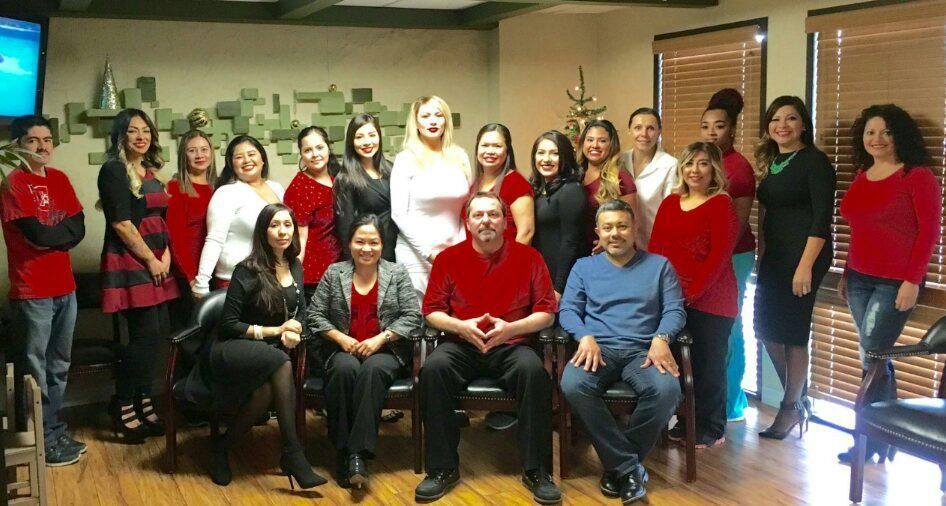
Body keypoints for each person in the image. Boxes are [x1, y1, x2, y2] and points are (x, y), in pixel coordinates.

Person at [415, 192, 561, 504]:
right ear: (467, 222)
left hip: (511, 344)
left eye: (493, 214)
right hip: (461, 344)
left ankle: (537, 470)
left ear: (505, 220)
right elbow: (432, 312)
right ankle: (441, 468)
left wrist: (511, 328)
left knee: (535, 372)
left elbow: (546, 312)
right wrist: (461, 326)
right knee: (433, 369)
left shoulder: (529, 257)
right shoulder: (448, 259)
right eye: (478, 215)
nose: (486, 221)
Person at [559, 198, 685, 504]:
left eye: (622, 226)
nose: (615, 233)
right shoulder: (584, 267)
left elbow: (675, 310)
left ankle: (619, 467)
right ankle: (629, 468)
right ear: (598, 232)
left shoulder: (659, 266)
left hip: (644, 351)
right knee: (573, 384)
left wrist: (661, 338)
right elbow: (568, 310)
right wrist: (584, 335)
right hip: (597, 350)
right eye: (608, 227)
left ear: (634, 228)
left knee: (668, 390)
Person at [836, 104, 941, 464]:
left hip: (894, 281)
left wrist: (912, 281)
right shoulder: (863, 173)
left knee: (873, 355)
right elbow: (860, 228)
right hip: (859, 278)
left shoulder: (917, 176)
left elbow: (928, 231)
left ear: (900, 135)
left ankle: (868, 440)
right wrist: (848, 272)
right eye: (869, 132)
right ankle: (884, 435)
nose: (876, 139)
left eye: (885, 132)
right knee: (875, 357)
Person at [209, 203, 325, 489]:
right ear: (263, 231)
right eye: (274, 225)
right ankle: (294, 455)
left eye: (287, 224)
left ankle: (222, 449)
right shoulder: (246, 270)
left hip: (271, 351)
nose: (282, 231)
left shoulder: (294, 263)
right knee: (280, 362)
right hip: (233, 347)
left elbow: (301, 309)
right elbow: (228, 325)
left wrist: (295, 328)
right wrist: (276, 330)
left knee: (265, 392)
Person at [306, 214, 422, 489]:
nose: (366, 248)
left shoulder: (397, 273)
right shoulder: (335, 273)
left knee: (372, 371)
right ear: (349, 244)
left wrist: (380, 339)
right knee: (345, 370)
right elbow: (314, 315)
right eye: (360, 242)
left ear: (382, 245)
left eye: (373, 242)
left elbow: (411, 316)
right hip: (342, 349)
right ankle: (343, 451)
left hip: (385, 350)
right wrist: (340, 338)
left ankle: (355, 454)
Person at [1, 115, 86, 465]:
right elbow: (37, 235)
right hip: (32, 291)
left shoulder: (60, 179)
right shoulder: (12, 182)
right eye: (33, 140)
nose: (42, 146)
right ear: (18, 145)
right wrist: (58, 236)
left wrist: (56, 237)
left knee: (59, 366)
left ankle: (52, 431)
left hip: (66, 288)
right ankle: (38, 442)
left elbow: (78, 228)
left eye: (47, 139)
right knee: (33, 371)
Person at [753, 96, 836, 440]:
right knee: (766, 329)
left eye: (791, 119)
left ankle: (789, 408)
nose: (782, 125)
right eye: (776, 119)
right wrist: (762, 254)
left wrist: (805, 266)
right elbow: (769, 215)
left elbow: (821, 219)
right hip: (776, 257)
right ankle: (798, 398)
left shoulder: (815, 162)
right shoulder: (774, 162)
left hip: (805, 256)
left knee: (792, 332)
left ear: (804, 124)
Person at [96, 108, 180, 443]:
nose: (141, 136)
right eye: (133, 131)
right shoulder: (113, 170)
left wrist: (167, 256)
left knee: (157, 337)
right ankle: (123, 402)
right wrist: (151, 260)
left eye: (146, 130)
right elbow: (120, 223)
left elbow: (161, 219)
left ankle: (144, 399)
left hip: (158, 261)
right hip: (133, 262)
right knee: (144, 338)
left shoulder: (148, 171)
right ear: (120, 135)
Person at [648, 142, 739, 449]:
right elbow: (656, 250)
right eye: (689, 164)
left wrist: (689, 295)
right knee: (675, 363)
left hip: (712, 300)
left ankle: (711, 427)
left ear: (714, 168)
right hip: (673, 298)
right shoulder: (670, 203)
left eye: (703, 164)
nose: (694, 170)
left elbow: (718, 257)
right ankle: (685, 421)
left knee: (707, 366)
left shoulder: (721, 203)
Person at [699, 88, 757, 423]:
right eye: (705, 126)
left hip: (733, 257)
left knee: (730, 328)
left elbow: (738, 223)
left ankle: (732, 403)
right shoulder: (701, 162)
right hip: (707, 259)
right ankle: (707, 401)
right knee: (710, 331)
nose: (711, 132)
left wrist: (717, 260)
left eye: (718, 126)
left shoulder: (739, 167)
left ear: (731, 129)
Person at [390, 95, 471, 296]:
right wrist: (429, 254)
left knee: (455, 318)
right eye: (425, 116)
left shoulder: (460, 156)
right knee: (419, 323)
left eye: (438, 115)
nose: (433, 121)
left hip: (455, 253)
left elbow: (466, 209)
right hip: (416, 257)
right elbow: (398, 214)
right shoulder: (406, 159)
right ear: (416, 122)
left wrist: (461, 250)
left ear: (446, 120)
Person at [193, 135, 284, 296]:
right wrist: (202, 283)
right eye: (239, 157)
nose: (246, 160)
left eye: (251, 154)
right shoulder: (226, 193)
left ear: (262, 158)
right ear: (232, 164)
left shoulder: (276, 188)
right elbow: (214, 240)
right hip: (237, 280)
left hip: (274, 276)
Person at [284, 126, 341, 301]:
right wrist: (293, 278)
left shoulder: (336, 177)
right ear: (301, 155)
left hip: (339, 269)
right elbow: (297, 239)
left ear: (328, 148)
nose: (315, 154)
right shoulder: (299, 187)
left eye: (319, 147)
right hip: (313, 277)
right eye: (308, 150)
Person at [166, 130, 216, 327]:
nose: (199, 155)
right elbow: (175, 237)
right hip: (189, 277)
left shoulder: (219, 188)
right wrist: (192, 279)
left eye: (204, 149)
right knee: (191, 336)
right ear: (183, 156)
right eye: (192, 150)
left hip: (215, 272)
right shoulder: (175, 188)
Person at [530, 130, 587, 300]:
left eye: (555, 153)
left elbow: (570, 242)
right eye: (541, 153)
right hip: (540, 273)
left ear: (565, 157)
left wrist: (558, 289)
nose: (546, 159)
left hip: (560, 280)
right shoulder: (537, 189)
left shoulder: (571, 190)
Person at [335, 113, 398, 262]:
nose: (367, 142)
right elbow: (346, 231)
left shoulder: (391, 169)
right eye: (359, 137)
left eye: (372, 135)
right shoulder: (346, 178)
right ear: (351, 141)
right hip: (368, 254)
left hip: (398, 247)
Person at [618, 108, 677, 249]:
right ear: (629, 130)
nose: (644, 134)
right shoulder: (620, 161)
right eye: (638, 128)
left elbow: (671, 214)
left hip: (655, 246)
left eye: (650, 128)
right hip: (622, 245)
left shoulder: (670, 165)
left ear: (659, 132)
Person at [578, 119, 637, 253]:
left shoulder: (621, 178)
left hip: (610, 252)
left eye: (602, 141)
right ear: (583, 143)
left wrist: (607, 242)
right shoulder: (575, 174)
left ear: (611, 145)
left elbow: (631, 223)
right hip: (578, 251)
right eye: (590, 140)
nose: (595, 145)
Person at [472, 123, 534, 244]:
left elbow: (526, 233)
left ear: (507, 150)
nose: (490, 151)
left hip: (506, 260)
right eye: (484, 145)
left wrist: (510, 262)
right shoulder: (476, 182)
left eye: (497, 146)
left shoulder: (516, 183)